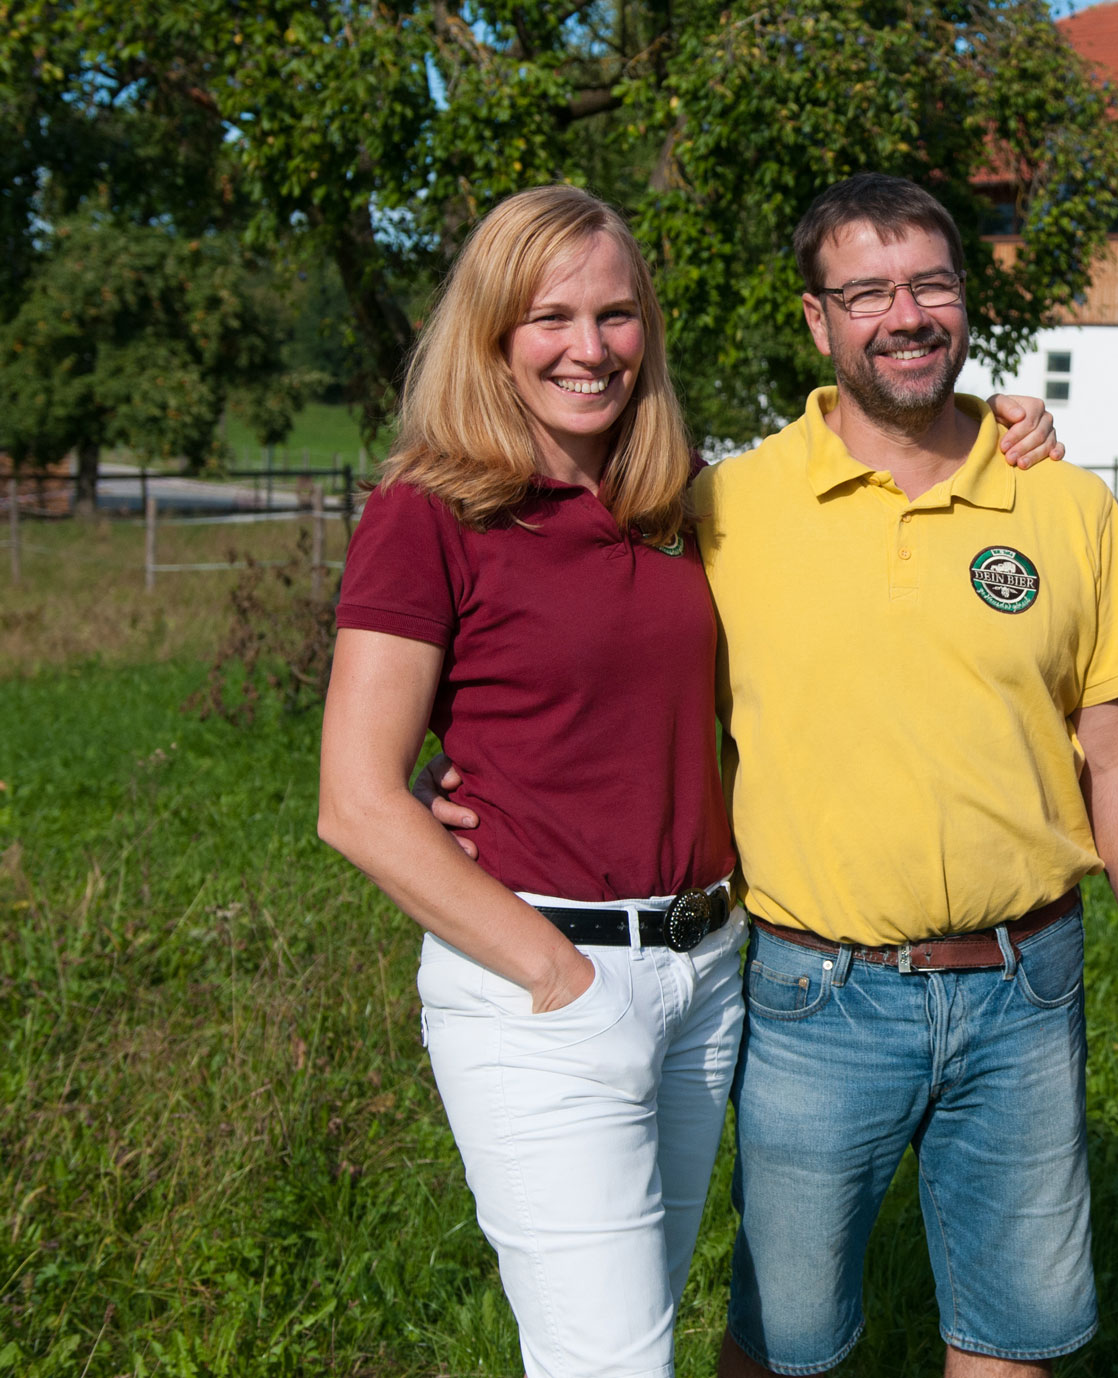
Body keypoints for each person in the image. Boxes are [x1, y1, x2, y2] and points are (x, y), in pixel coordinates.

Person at [318, 183, 1062, 1378]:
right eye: (548, 315)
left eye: (615, 314)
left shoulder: (674, 502)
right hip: (546, 986)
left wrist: (1001, 421)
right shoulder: (431, 509)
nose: (588, 346)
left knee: (639, 1327)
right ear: (491, 332)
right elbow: (352, 800)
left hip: (708, 976)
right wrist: (553, 971)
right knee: (608, 1360)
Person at [692, 174, 1118, 1378]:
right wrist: (472, 763)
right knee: (783, 1343)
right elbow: (617, 678)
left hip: (1029, 988)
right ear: (816, 321)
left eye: (928, 283)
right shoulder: (725, 507)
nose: (903, 313)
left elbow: (1116, 748)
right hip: (816, 994)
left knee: (1010, 1337)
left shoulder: (1062, 503)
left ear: (963, 301)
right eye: (865, 291)